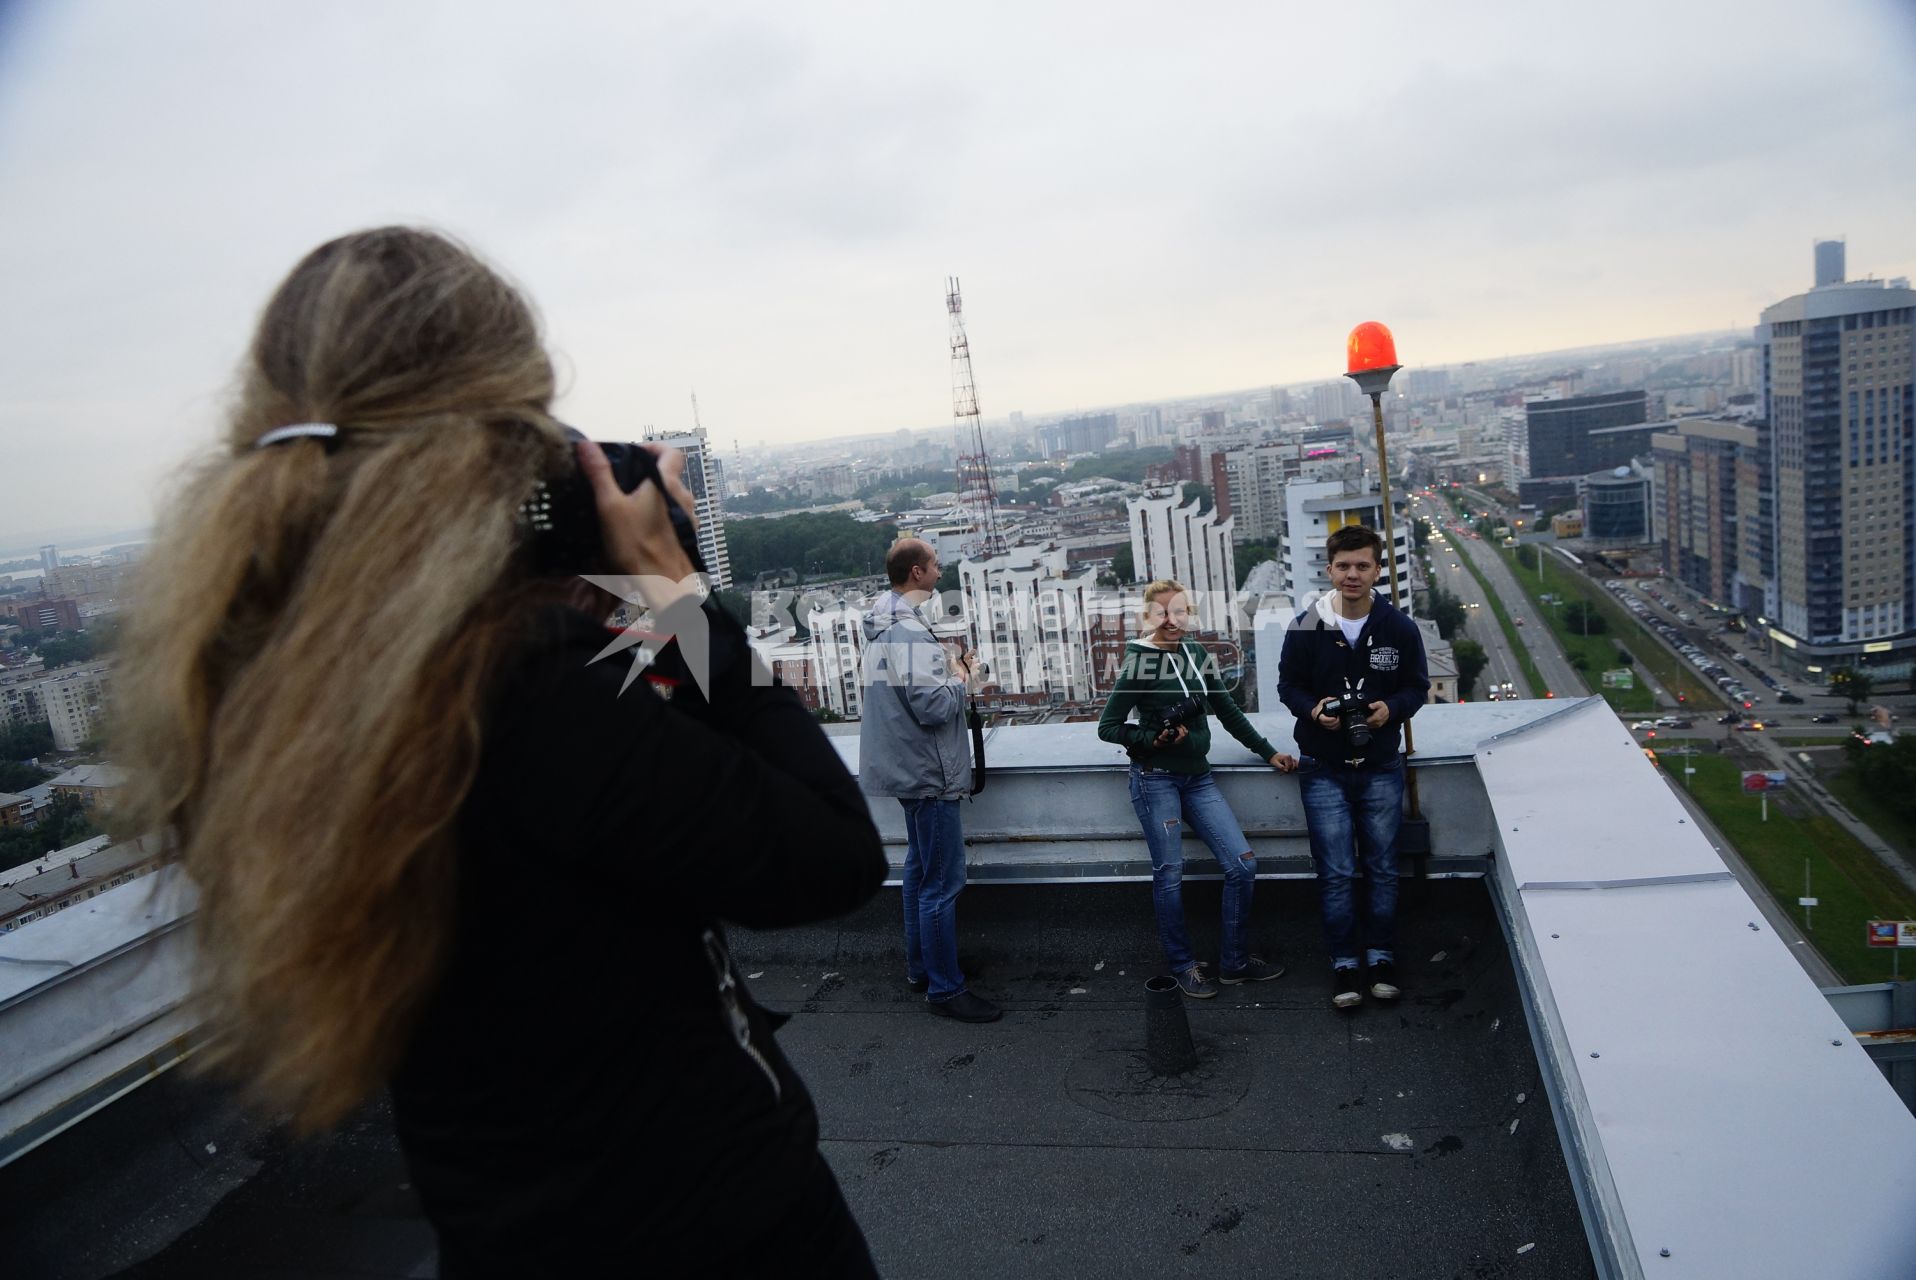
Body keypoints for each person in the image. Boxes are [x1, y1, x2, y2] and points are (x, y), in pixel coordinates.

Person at [113, 227, 887, 1277]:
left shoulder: (253, 681)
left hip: (499, 1222)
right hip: (706, 1225)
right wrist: (674, 598)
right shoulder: (509, 689)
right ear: (498, 432)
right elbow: (830, 852)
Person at [1097, 579, 1297, 998]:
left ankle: (1235, 962)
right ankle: (1183, 964)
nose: (1172, 620)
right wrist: (1152, 738)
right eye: (1162, 613)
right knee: (1169, 875)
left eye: (1180, 611)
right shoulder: (1137, 663)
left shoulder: (1197, 653)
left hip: (1198, 777)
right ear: (1148, 617)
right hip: (1155, 780)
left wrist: (1268, 752)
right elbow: (1108, 727)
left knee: (1242, 866)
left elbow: (1227, 710)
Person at [1276, 524, 1430, 1010]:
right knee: (1337, 869)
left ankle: (1381, 957)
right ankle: (1345, 963)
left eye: (1363, 565)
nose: (1352, 574)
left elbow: (1417, 687)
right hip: (1323, 765)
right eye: (1343, 566)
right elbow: (1288, 687)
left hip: (1382, 764)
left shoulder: (1399, 627)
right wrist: (1313, 711)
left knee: (1383, 867)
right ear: (1329, 570)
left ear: (1378, 570)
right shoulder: (1306, 624)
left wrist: (1391, 709)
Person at [856, 538, 1001, 1023]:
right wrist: (964, 677)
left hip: (906, 768)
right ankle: (945, 988)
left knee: (919, 873)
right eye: (936, 566)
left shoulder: (885, 624)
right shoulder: (910, 634)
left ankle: (925, 967)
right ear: (916, 573)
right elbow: (933, 706)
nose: (941, 573)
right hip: (929, 771)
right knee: (942, 882)